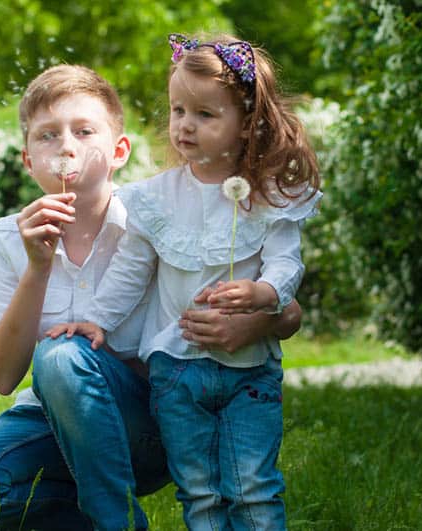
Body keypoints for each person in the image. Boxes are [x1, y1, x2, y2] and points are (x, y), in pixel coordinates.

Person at [0, 64, 303, 531]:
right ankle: (103, 512)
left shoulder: (159, 214)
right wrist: (38, 266)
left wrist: (254, 323)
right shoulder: (11, 239)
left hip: (163, 416)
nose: (66, 145)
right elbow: (2, 376)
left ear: (119, 151)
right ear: (27, 159)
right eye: (46, 135)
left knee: (63, 356)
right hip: (56, 422)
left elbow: (289, 310)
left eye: (84, 131)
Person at [49, 34, 322, 530]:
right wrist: (98, 320)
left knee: (253, 488)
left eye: (205, 114)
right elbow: (131, 269)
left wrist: (264, 294)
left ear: (246, 126)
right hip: (175, 371)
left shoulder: (268, 195)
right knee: (199, 492)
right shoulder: (156, 198)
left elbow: (287, 261)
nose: (185, 126)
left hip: (249, 373)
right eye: (178, 111)